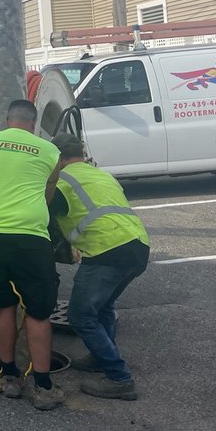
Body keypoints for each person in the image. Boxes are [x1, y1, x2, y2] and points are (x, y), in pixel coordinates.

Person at [0, 99, 63, 410]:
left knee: (1, 306)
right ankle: (43, 386)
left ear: (6, 119)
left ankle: (10, 378)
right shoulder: (49, 152)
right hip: (29, 235)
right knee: (38, 311)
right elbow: (48, 193)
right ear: (34, 124)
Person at [49, 133, 150, 401]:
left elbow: (45, 214)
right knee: (104, 306)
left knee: (81, 316)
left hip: (107, 251)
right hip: (137, 245)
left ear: (58, 158)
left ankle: (120, 378)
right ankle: (100, 356)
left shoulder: (62, 182)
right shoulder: (102, 175)